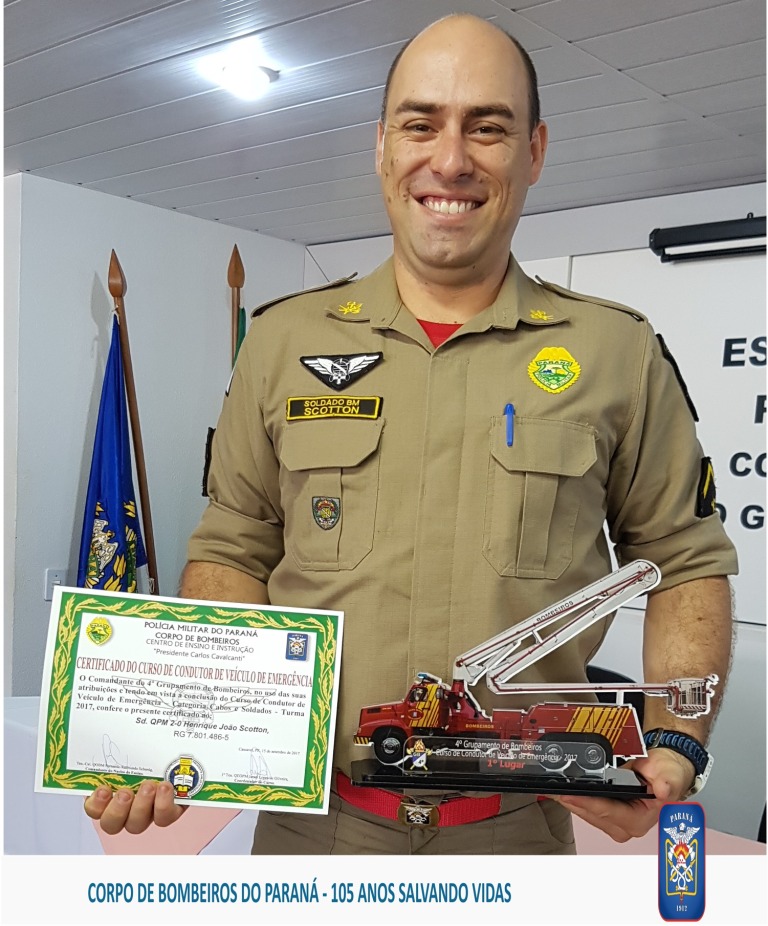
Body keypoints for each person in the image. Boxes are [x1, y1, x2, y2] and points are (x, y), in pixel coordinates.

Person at [85, 13, 737, 854]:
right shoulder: (281, 343)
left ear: (534, 151)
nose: (451, 159)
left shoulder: (618, 352)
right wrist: (190, 724)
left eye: (488, 127)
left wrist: (679, 742)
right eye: (421, 124)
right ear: (383, 146)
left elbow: (684, 556)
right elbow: (235, 547)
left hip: (516, 838)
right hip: (312, 833)